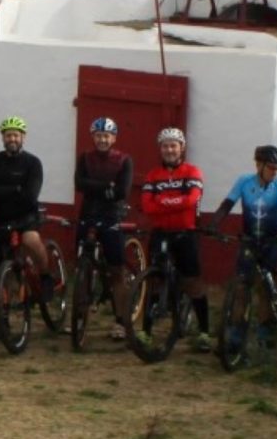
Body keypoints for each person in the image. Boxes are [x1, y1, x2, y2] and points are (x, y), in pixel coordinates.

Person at [215, 145, 277, 344]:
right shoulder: (244, 182)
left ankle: (264, 328)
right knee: (242, 287)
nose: (275, 172)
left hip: (272, 242)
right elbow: (227, 205)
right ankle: (236, 331)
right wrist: (213, 224)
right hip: (249, 240)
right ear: (259, 164)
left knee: (265, 287)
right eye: (271, 167)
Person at [137, 127, 209, 352]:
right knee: (154, 280)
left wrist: (164, 203)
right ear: (160, 149)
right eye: (165, 146)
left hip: (185, 232)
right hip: (160, 232)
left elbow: (192, 199)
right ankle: (146, 332)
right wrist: (174, 203)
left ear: (182, 148)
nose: (169, 150)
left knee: (193, 282)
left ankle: (204, 332)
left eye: (173, 145)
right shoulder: (152, 175)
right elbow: (147, 205)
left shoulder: (192, 172)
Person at [75, 118, 133, 338]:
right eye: (98, 135)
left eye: (106, 135)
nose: (102, 139)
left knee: (116, 271)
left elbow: (122, 192)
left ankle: (121, 321)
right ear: (93, 137)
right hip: (87, 214)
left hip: (112, 216)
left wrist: (97, 188)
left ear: (114, 138)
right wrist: (105, 186)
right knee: (82, 267)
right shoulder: (85, 158)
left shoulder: (123, 160)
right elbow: (79, 184)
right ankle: (80, 317)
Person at [0, 117, 49, 293]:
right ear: (2, 138)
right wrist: (15, 189)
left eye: (16, 135)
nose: (12, 139)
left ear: (23, 137)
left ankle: (46, 276)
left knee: (31, 241)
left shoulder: (33, 163)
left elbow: (30, 195)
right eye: (8, 135)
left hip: (27, 216)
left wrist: (1, 191)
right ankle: (9, 302)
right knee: (2, 262)